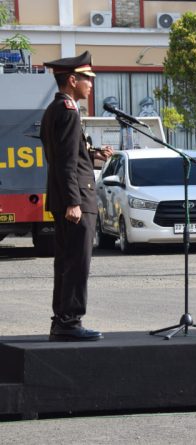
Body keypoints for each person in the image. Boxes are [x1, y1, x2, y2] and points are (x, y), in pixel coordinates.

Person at [41, 51, 113, 341]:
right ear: (72, 80)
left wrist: (94, 155)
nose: (90, 85)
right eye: (87, 79)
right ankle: (69, 322)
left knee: (66, 262)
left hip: (66, 196)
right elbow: (66, 162)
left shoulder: (54, 109)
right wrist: (74, 201)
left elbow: (67, 155)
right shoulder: (69, 111)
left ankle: (62, 320)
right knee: (76, 263)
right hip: (77, 199)